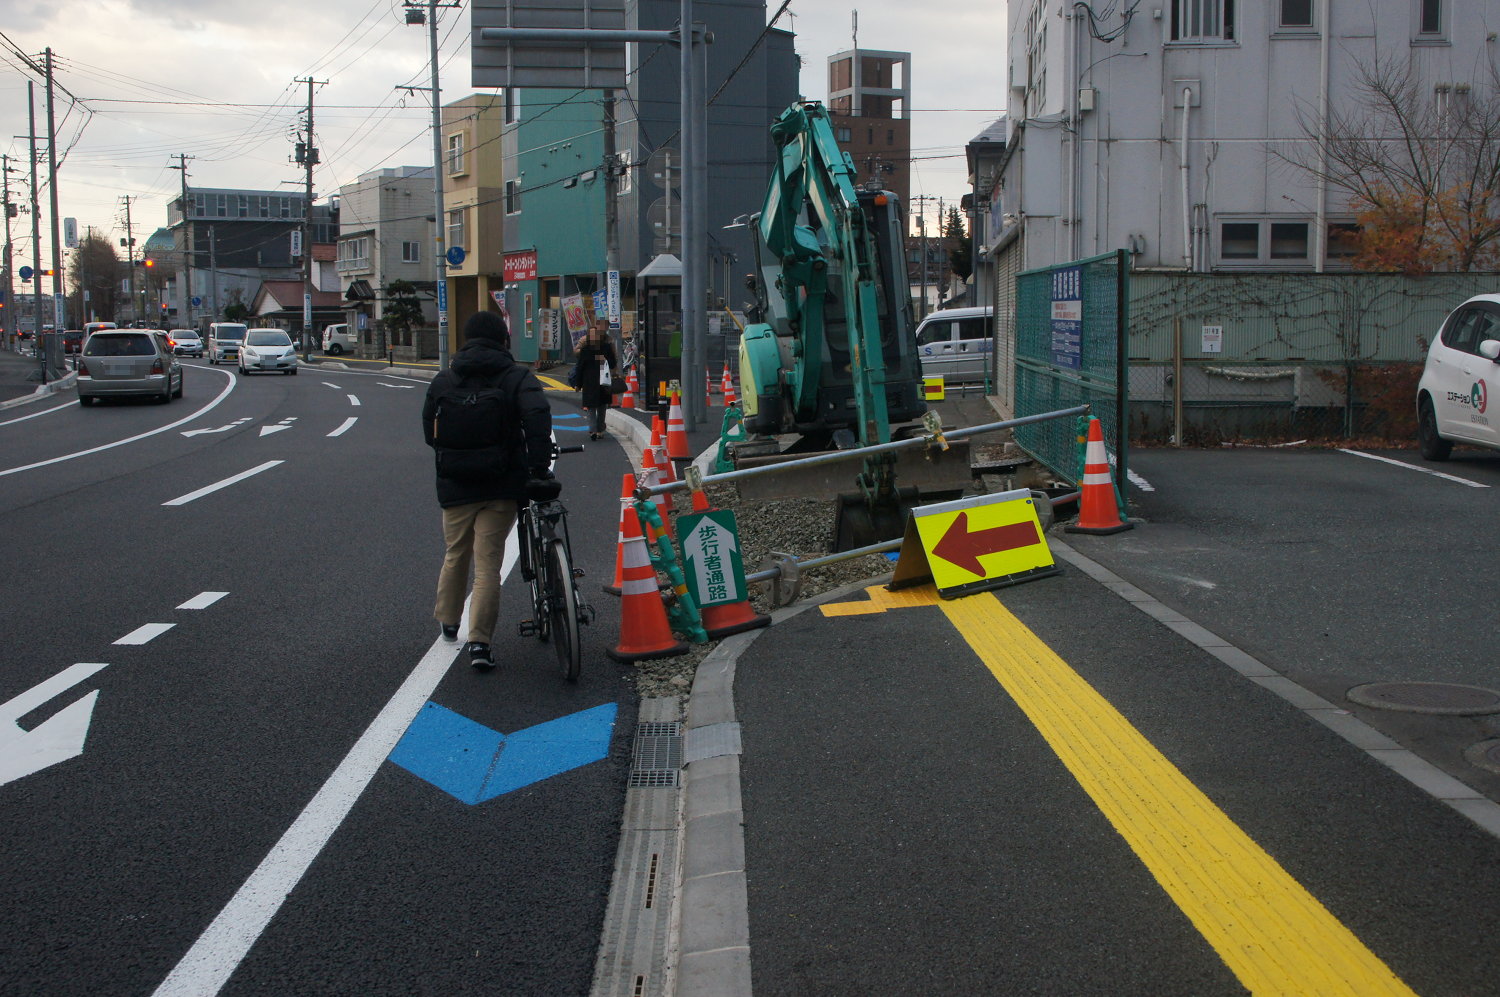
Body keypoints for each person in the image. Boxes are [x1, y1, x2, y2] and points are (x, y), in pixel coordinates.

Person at [422, 310, 553, 670]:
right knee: (487, 566)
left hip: (455, 484)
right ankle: (479, 643)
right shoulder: (515, 376)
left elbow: (428, 432)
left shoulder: (445, 379)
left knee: (455, 553)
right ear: (503, 340)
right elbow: (538, 417)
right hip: (500, 484)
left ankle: (449, 621)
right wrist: (537, 466)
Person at [574, 318, 619, 440]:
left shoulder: (606, 347)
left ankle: (600, 428)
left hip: (603, 381)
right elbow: (580, 367)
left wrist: (604, 359)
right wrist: (578, 384)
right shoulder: (585, 349)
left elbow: (613, 362)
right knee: (591, 407)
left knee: (602, 406)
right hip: (589, 381)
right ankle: (592, 430)